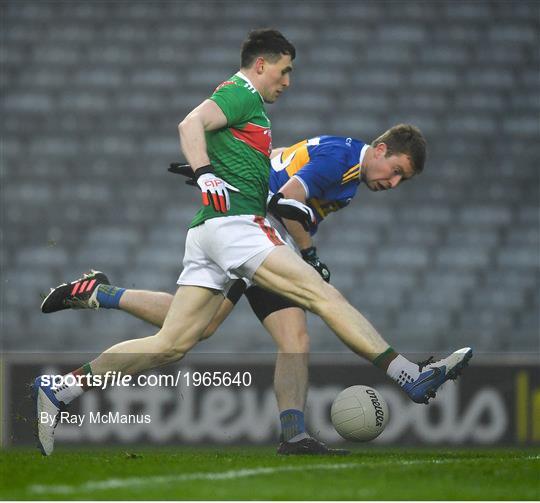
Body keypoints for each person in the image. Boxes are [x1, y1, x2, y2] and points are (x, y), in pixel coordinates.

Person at [34, 28, 472, 457]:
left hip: (213, 230)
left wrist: (225, 170)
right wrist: (207, 171)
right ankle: (407, 375)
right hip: (241, 227)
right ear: (261, 65)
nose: (288, 82)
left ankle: (61, 386)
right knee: (324, 297)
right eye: (284, 71)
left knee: (177, 341)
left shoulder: (267, 121)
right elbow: (196, 127)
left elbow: (267, 175)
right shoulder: (247, 95)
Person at [42, 126, 433, 455]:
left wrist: (233, 178)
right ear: (380, 149)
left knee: (205, 333)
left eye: (403, 180)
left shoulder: (345, 167)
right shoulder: (341, 159)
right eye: (395, 170)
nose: (393, 182)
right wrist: (310, 254)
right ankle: (399, 375)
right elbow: (289, 203)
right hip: (254, 235)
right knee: (317, 304)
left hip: (256, 233)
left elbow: (279, 158)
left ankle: (97, 302)